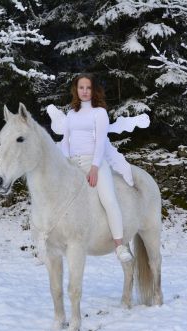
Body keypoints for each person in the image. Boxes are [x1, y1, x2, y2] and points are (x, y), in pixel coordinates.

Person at [61, 73, 132, 263]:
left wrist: (94, 167)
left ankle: (119, 246)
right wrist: (67, 163)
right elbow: (65, 141)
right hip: (73, 165)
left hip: (95, 163)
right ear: (76, 90)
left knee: (109, 199)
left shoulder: (99, 113)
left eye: (88, 88)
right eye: (81, 87)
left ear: (94, 90)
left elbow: (100, 142)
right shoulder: (71, 114)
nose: (84, 91)